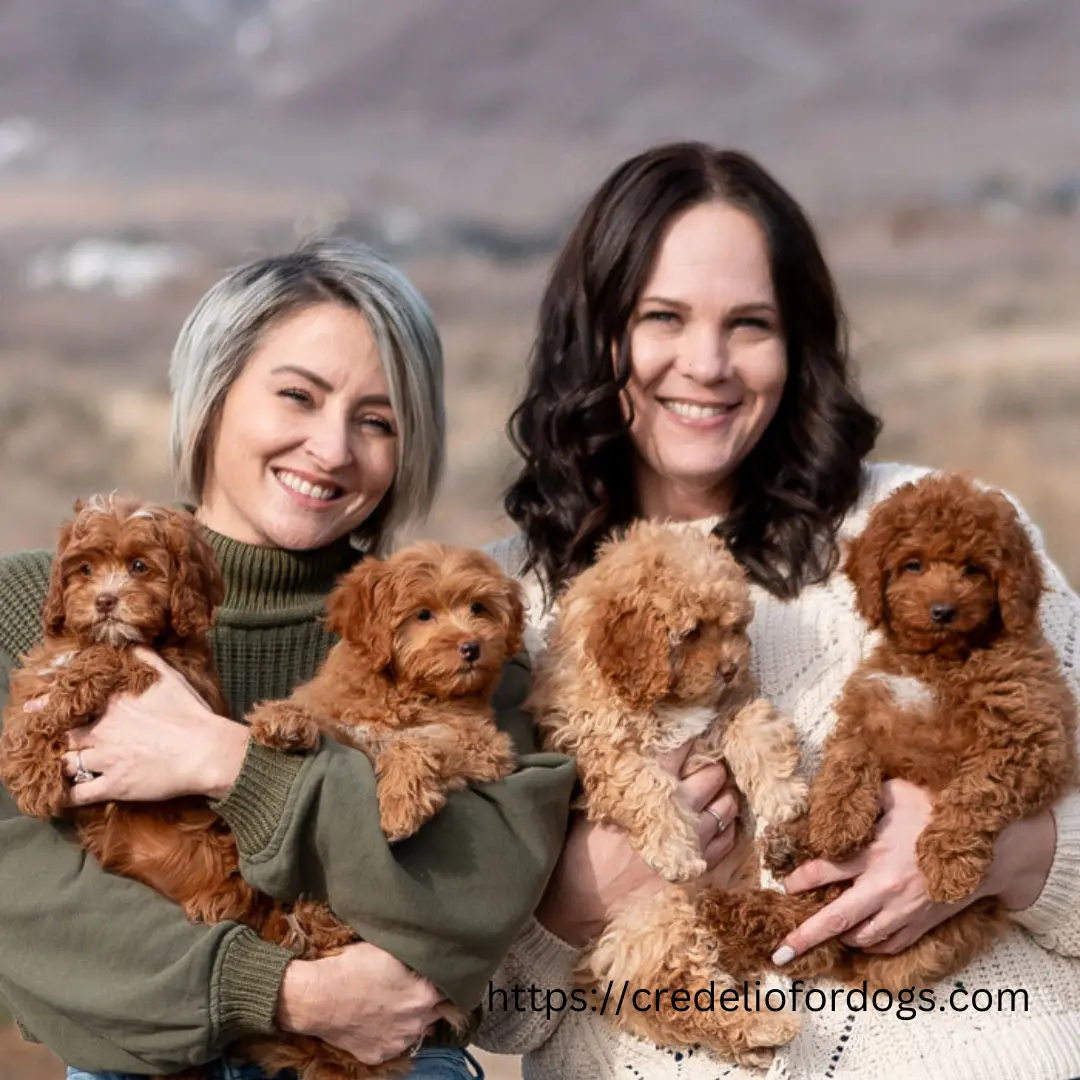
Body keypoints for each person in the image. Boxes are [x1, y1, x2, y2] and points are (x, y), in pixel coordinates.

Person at [475, 142, 1080, 1079]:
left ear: (798, 346)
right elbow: (488, 1018)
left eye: (750, 323)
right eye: (662, 318)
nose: (708, 365)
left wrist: (1009, 854)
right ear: (594, 336)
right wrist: (572, 906)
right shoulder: (499, 611)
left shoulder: (940, 537)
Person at [0, 237, 577, 1080]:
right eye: (297, 397)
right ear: (213, 396)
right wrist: (282, 993)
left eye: (376, 420)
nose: (333, 448)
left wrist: (228, 762)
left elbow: (477, 893)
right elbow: (23, 901)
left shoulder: (447, 633)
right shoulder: (36, 600)